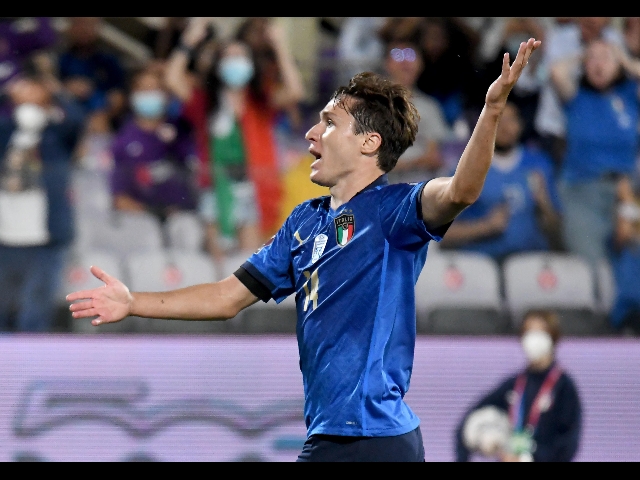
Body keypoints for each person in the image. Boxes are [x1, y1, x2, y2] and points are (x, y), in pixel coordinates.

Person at [66, 38, 542, 462]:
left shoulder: (395, 211)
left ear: (369, 142)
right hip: (334, 435)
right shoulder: (303, 222)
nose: (312, 134)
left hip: (373, 438)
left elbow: (460, 191)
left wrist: (491, 110)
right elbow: (228, 297)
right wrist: (134, 302)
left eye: (329, 123)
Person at [165, 17, 305, 257]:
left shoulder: (260, 102)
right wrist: (189, 40)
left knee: (249, 265)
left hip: (254, 191)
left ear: (251, 64)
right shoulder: (206, 103)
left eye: (240, 56)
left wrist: (280, 46)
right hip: (215, 191)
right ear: (219, 65)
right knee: (218, 265)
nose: (235, 62)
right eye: (228, 57)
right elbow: (171, 79)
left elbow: (295, 91)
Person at [0, 72, 84, 332]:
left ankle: (30, 355)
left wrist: (55, 92)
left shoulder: (56, 136)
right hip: (5, 235)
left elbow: (77, 120)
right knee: (3, 305)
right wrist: (6, 93)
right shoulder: (5, 133)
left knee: (36, 310)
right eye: (25, 95)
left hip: (46, 236)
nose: (30, 102)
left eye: (37, 97)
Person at [548, 37, 640, 269]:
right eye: (592, 60)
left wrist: (624, 60)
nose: (598, 65)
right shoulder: (576, 97)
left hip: (624, 191)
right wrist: (583, 55)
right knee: (588, 264)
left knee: (627, 263)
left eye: (605, 59)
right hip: (581, 191)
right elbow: (556, 72)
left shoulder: (629, 95)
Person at [438, 101, 562, 264]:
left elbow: (558, 230)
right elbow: (442, 234)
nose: (505, 127)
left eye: (511, 120)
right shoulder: (467, 169)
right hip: (483, 264)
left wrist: (544, 204)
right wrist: (485, 227)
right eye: (497, 120)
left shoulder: (539, 164)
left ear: (520, 125)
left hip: (530, 262)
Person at [454, 309, 582, 462]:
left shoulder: (564, 388)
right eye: (528, 332)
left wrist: (529, 458)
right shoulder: (514, 385)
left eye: (540, 332)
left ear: (553, 338)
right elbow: (467, 422)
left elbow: (568, 444)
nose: (533, 339)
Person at [109, 67, 200, 224]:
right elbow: (119, 198)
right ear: (132, 95)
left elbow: (197, 170)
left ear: (167, 95)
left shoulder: (183, 129)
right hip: (142, 220)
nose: (150, 94)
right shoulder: (123, 140)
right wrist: (155, 213)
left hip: (185, 217)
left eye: (155, 89)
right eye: (144, 89)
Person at [381, 37, 452, 185]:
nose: (405, 62)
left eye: (411, 55)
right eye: (398, 55)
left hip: (421, 189)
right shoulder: (372, 106)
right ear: (386, 63)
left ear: (421, 64)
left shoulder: (430, 107)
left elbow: (434, 156)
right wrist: (417, 161)